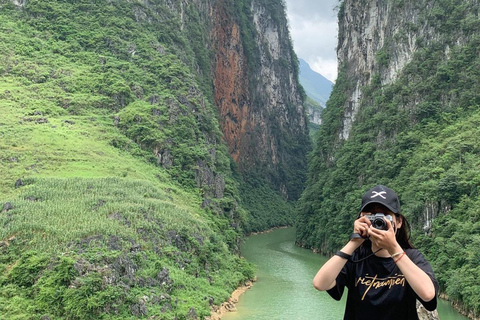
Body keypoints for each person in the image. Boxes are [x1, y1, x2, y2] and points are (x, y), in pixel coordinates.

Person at [313, 185, 438, 320]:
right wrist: (354, 242)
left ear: (399, 221)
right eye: (371, 216)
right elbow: (320, 283)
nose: (378, 221)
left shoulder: (411, 258)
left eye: (385, 215)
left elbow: (428, 295)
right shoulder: (356, 258)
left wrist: (394, 249)